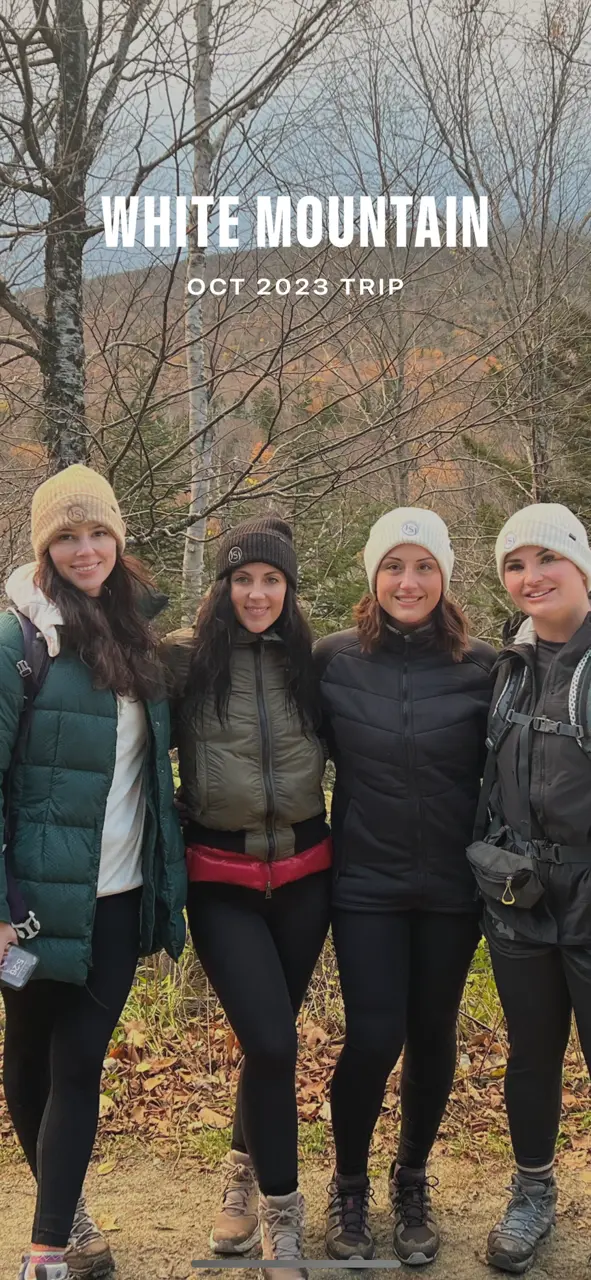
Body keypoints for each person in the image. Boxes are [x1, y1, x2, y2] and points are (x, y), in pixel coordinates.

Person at [0, 465, 187, 1280]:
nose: (86, 549)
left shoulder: (139, 637)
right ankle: (62, 1221)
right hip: (33, 904)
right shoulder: (19, 641)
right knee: (30, 1056)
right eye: (67, 536)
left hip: (117, 897)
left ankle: (46, 1248)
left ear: (119, 538)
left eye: (98, 532)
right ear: (45, 548)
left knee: (78, 1063)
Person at [314, 507, 496, 1266]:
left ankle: (411, 1177)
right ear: (373, 576)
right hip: (365, 882)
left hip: (454, 888)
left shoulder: (485, 665)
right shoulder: (328, 659)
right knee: (373, 1034)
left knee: (431, 1034)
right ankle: (348, 1184)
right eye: (394, 566)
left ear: (444, 577)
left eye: (423, 567)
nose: (408, 580)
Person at [161, 517, 332, 1280]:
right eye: (242, 579)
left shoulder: (314, 662)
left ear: (287, 587)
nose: (257, 593)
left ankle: (238, 1170)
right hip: (221, 882)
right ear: (222, 586)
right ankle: (282, 1225)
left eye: (271, 579)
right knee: (271, 1043)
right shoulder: (185, 662)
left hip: (306, 879)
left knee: (271, 1043)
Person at [477, 503, 591, 1275]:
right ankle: (531, 1192)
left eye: (545, 559)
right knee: (531, 1054)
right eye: (514, 565)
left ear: (580, 567)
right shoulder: (506, 668)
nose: (530, 577)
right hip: (518, 891)